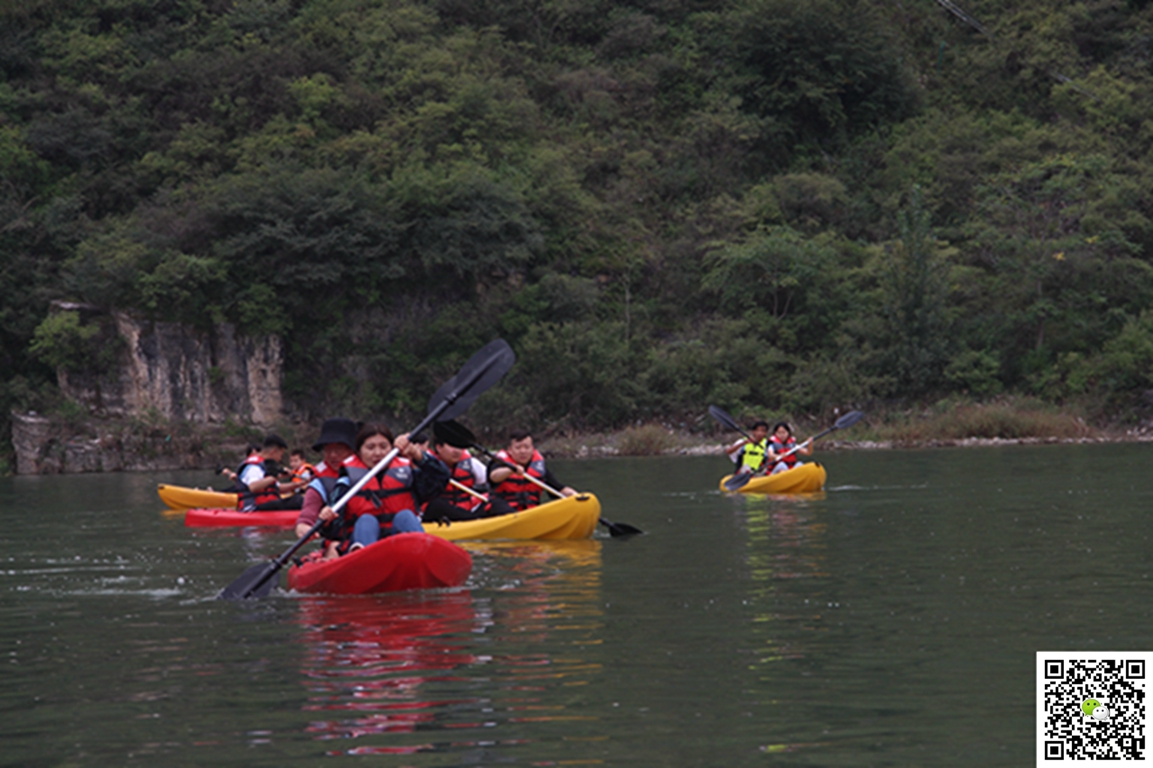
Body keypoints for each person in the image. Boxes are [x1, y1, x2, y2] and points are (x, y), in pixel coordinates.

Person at [314, 423, 449, 558]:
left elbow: (442, 477)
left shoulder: (409, 476)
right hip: (362, 550)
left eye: (383, 447)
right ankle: (363, 557)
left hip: (402, 548)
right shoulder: (347, 482)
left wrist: (417, 455)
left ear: (392, 449)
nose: (378, 453)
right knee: (367, 520)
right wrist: (326, 520)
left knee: (405, 516)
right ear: (359, 452)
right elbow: (332, 532)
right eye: (370, 447)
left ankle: (422, 551)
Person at [423, 434, 515, 522]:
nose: (457, 451)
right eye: (452, 446)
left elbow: (490, 480)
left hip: (467, 513)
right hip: (437, 517)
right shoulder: (426, 464)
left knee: (495, 503)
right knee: (437, 505)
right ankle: (473, 521)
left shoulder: (471, 463)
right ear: (439, 447)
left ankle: (515, 519)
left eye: (459, 446)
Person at [294, 418, 359, 539]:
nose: (333, 455)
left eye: (339, 449)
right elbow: (309, 510)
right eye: (328, 450)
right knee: (333, 548)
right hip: (340, 542)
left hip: (373, 535)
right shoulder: (319, 483)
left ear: (353, 450)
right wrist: (304, 525)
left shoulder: (374, 468)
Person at [488, 430, 576, 511]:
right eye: (518, 448)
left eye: (527, 447)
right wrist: (511, 470)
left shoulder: (538, 468)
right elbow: (493, 477)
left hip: (530, 512)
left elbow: (559, 489)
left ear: (532, 449)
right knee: (497, 505)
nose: (523, 451)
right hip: (502, 512)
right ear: (510, 450)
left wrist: (575, 495)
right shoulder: (500, 463)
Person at [234, 434, 290, 511]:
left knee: (295, 500)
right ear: (273, 452)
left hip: (267, 506)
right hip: (252, 508)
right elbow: (253, 487)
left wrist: (299, 483)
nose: (280, 459)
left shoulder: (266, 465)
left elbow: (278, 488)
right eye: (280, 455)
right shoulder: (253, 466)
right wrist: (276, 476)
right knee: (297, 501)